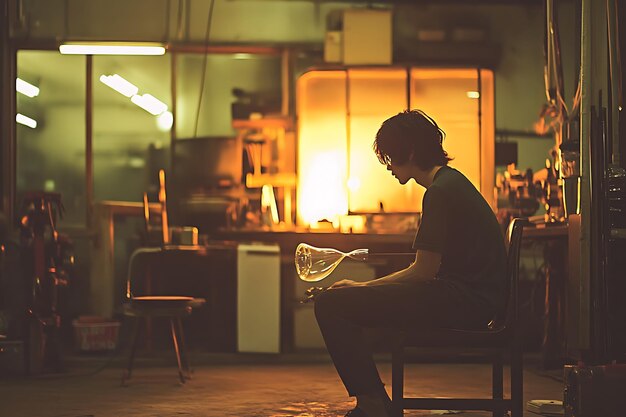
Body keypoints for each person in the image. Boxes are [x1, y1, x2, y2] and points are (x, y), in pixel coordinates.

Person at [314, 109, 507, 417]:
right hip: (473, 299)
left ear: (411, 151)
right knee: (344, 303)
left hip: (465, 303)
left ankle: (374, 404)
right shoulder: (450, 183)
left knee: (330, 304)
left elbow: (423, 271)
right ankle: (373, 399)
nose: (388, 166)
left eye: (390, 156)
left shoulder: (440, 193)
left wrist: (362, 286)